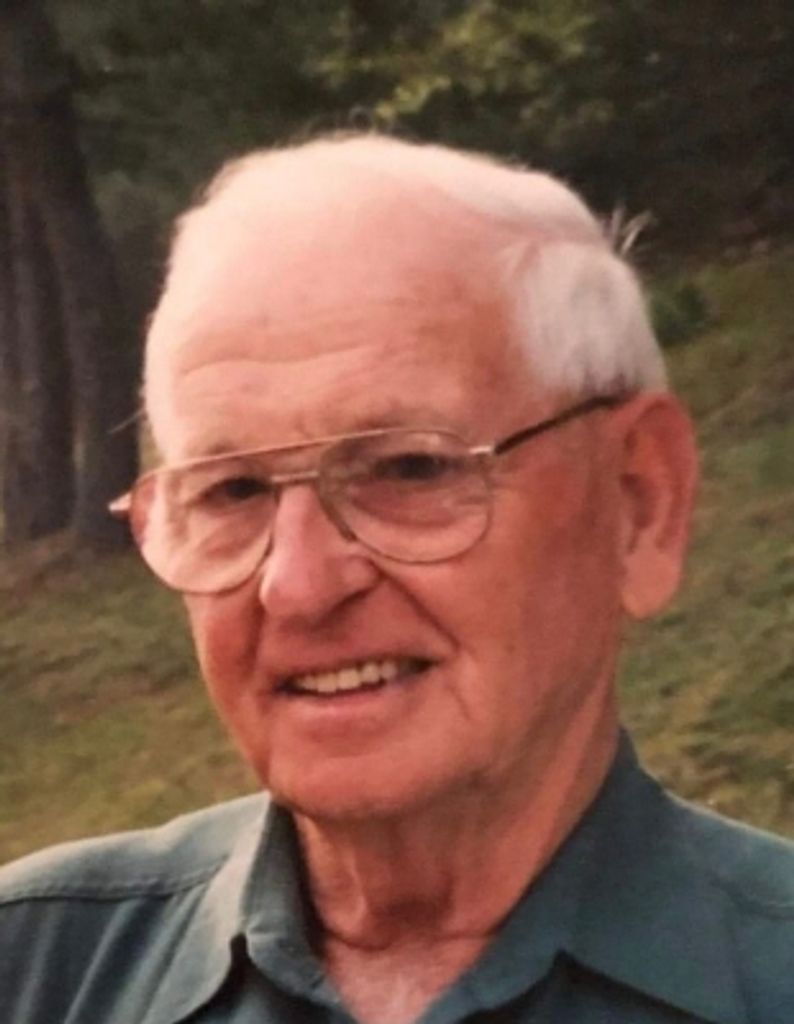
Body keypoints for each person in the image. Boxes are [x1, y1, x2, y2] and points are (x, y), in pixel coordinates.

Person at [2, 134, 793, 1024]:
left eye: (409, 469)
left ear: (638, 504)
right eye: (233, 491)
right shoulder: (36, 975)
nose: (298, 585)